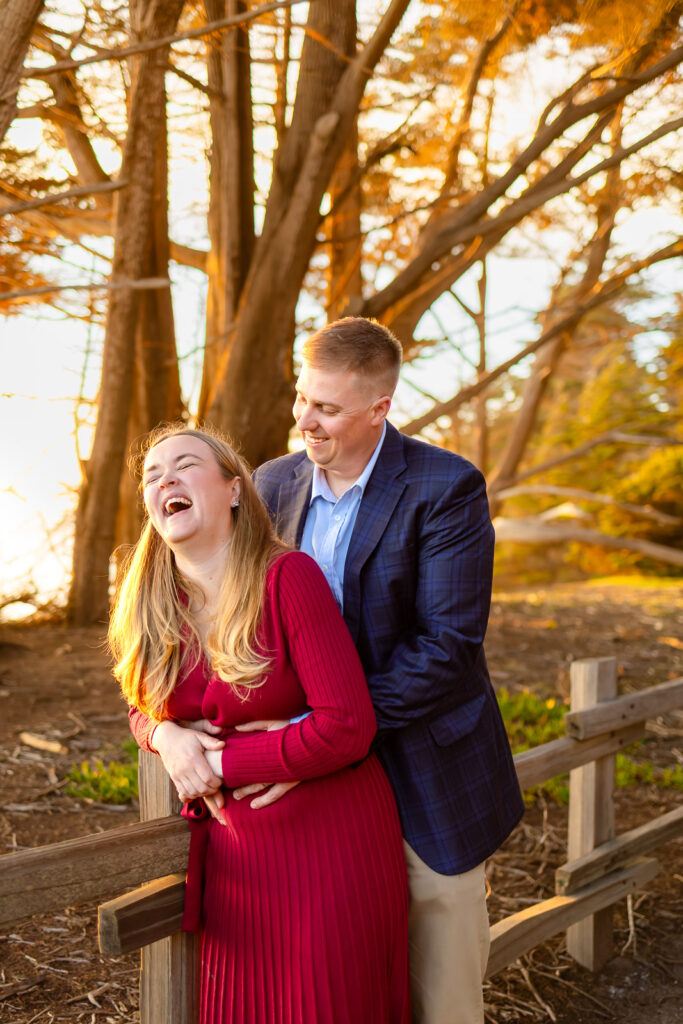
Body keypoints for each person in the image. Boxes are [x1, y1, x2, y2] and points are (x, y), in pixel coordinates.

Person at [250, 317, 525, 1024]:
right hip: (313, 765)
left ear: (380, 408)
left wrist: (328, 733)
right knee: (336, 971)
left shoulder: (446, 486)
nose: (306, 421)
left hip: (423, 755)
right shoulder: (271, 483)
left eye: (329, 409)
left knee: (441, 975)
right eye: (303, 400)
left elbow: (446, 645)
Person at [110, 423, 411, 1024]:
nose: (163, 478)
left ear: (234, 490)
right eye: (151, 475)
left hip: (328, 842)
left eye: (186, 464)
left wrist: (218, 764)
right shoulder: (148, 596)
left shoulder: (287, 578)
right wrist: (165, 737)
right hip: (232, 856)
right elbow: (139, 700)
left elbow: (346, 725)